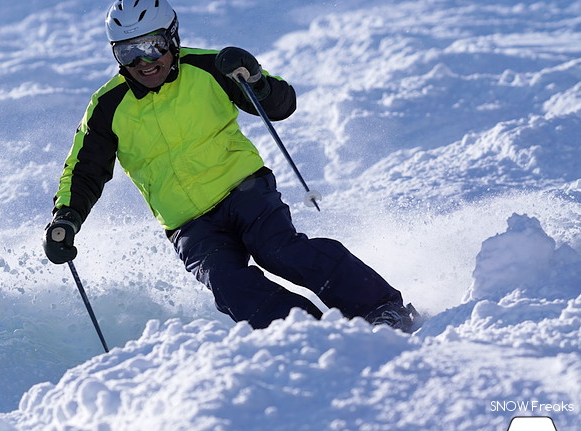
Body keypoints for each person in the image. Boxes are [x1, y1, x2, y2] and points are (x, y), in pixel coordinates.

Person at [44, 0, 417, 332]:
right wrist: (66, 218)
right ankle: (312, 335)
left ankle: (381, 307)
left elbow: (280, 105)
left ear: (172, 38)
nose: (144, 62)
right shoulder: (108, 106)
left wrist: (255, 79)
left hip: (244, 190)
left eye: (152, 46)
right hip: (188, 223)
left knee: (280, 251)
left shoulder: (212, 66)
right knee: (228, 284)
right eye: (128, 53)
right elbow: (84, 170)